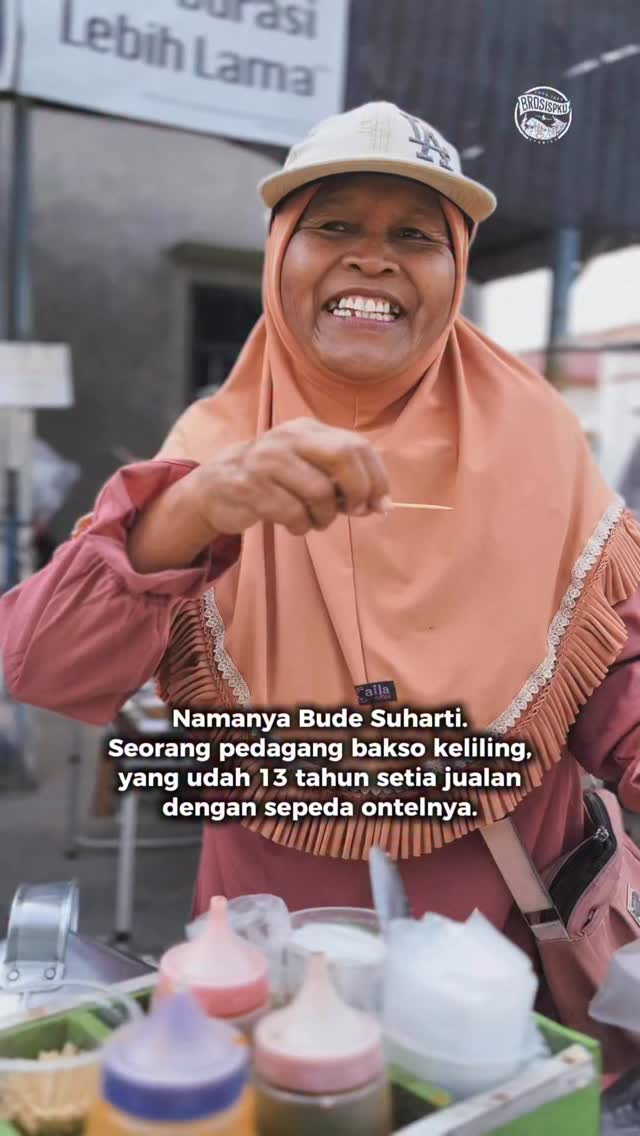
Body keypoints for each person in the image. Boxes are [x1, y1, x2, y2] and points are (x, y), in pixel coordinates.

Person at [1, 102, 640, 974]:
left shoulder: (541, 437)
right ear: (280, 256)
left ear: (456, 270)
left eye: (417, 235)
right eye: (333, 224)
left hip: (513, 943)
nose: (372, 255)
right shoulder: (209, 450)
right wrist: (195, 511)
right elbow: (47, 666)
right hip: (277, 940)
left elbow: (619, 679)